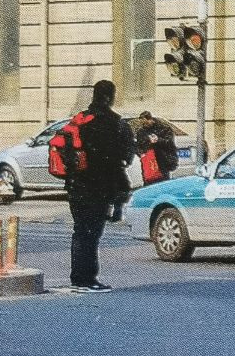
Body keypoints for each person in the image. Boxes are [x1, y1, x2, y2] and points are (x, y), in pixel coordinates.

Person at [66, 79, 134, 293]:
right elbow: (125, 157)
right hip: (100, 187)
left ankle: (78, 277)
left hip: (76, 186)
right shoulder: (115, 123)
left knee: (80, 232)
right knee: (92, 234)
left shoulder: (78, 120)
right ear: (111, 97)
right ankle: (88, 278)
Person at [134, 111, 179, 186]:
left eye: (145, 122)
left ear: (150, 119)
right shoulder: (141, 131)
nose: (144, 125)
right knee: (149, 183)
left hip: (162, 161)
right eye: (142, 123)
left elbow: (169, 143)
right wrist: (141, 154)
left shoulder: (164, 129)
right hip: (148, 162)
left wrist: (158, 140)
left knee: (162, 183)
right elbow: (139, 146)